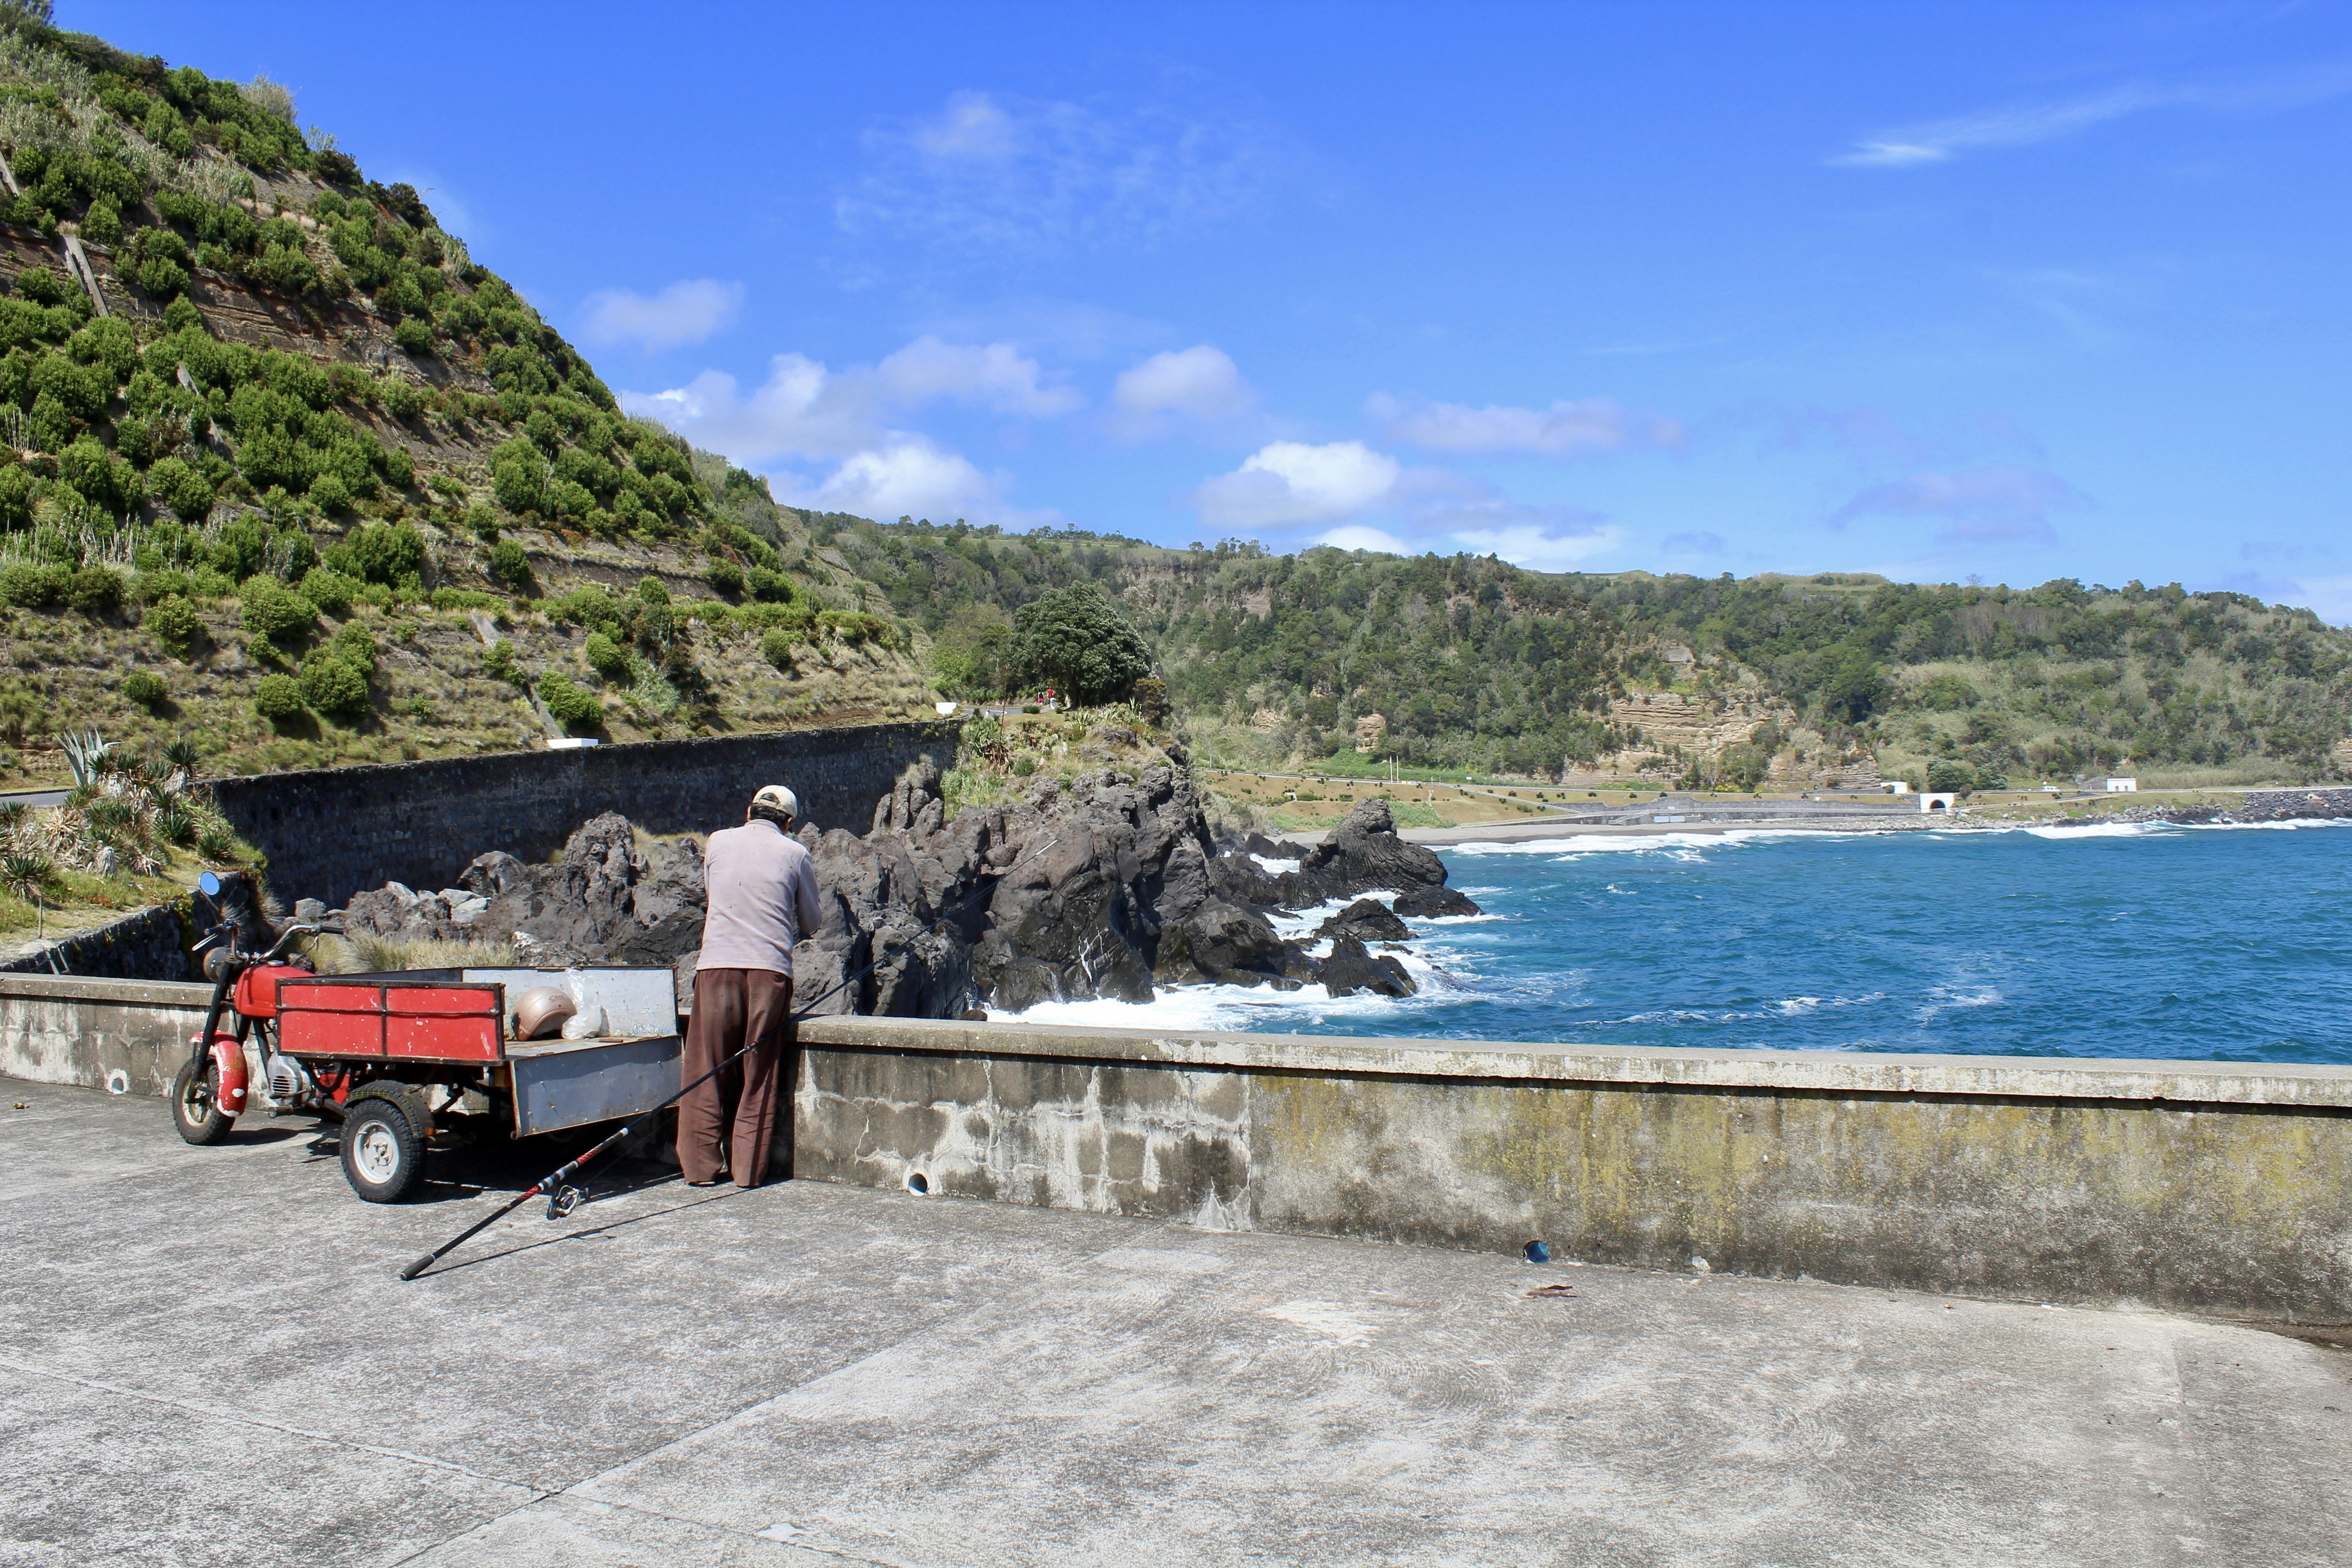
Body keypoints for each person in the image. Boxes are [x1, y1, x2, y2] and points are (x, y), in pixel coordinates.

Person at [676, 783, 824, 1188]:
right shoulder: (796, 853)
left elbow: (714, 895)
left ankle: (700, 1168)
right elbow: (812, 922)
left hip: (715, 968)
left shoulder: (717, 843)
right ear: (790, 823)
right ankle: (747, 1172)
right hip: (769, 974)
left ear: (749, 811)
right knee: (758, 1071)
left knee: (705, 1067)